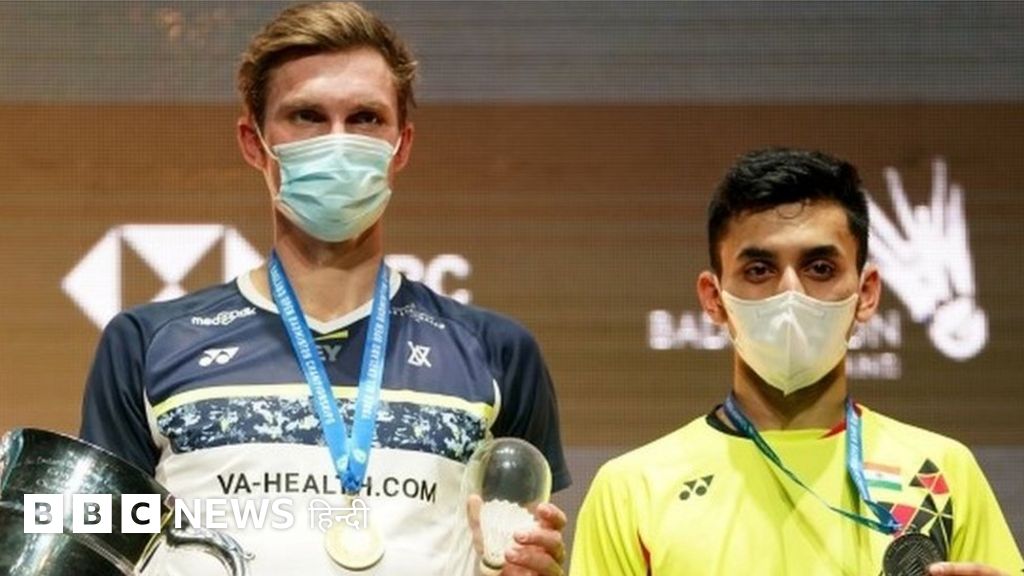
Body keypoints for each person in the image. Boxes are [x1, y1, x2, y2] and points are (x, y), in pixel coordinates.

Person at [79, 3, 570, 575]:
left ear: (401, 146)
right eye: (307, 116)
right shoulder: (146, 344)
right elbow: (99, 557)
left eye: (365, 118)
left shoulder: (496, 353)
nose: (338, 143)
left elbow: (522, 552)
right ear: (254, 142)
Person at [570, 149, 1022, 575]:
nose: (791, 293)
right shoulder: (632, 489)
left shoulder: (942, 471)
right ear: (714, 299)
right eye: (759, 270)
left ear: (866, 294)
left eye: (820, 268)